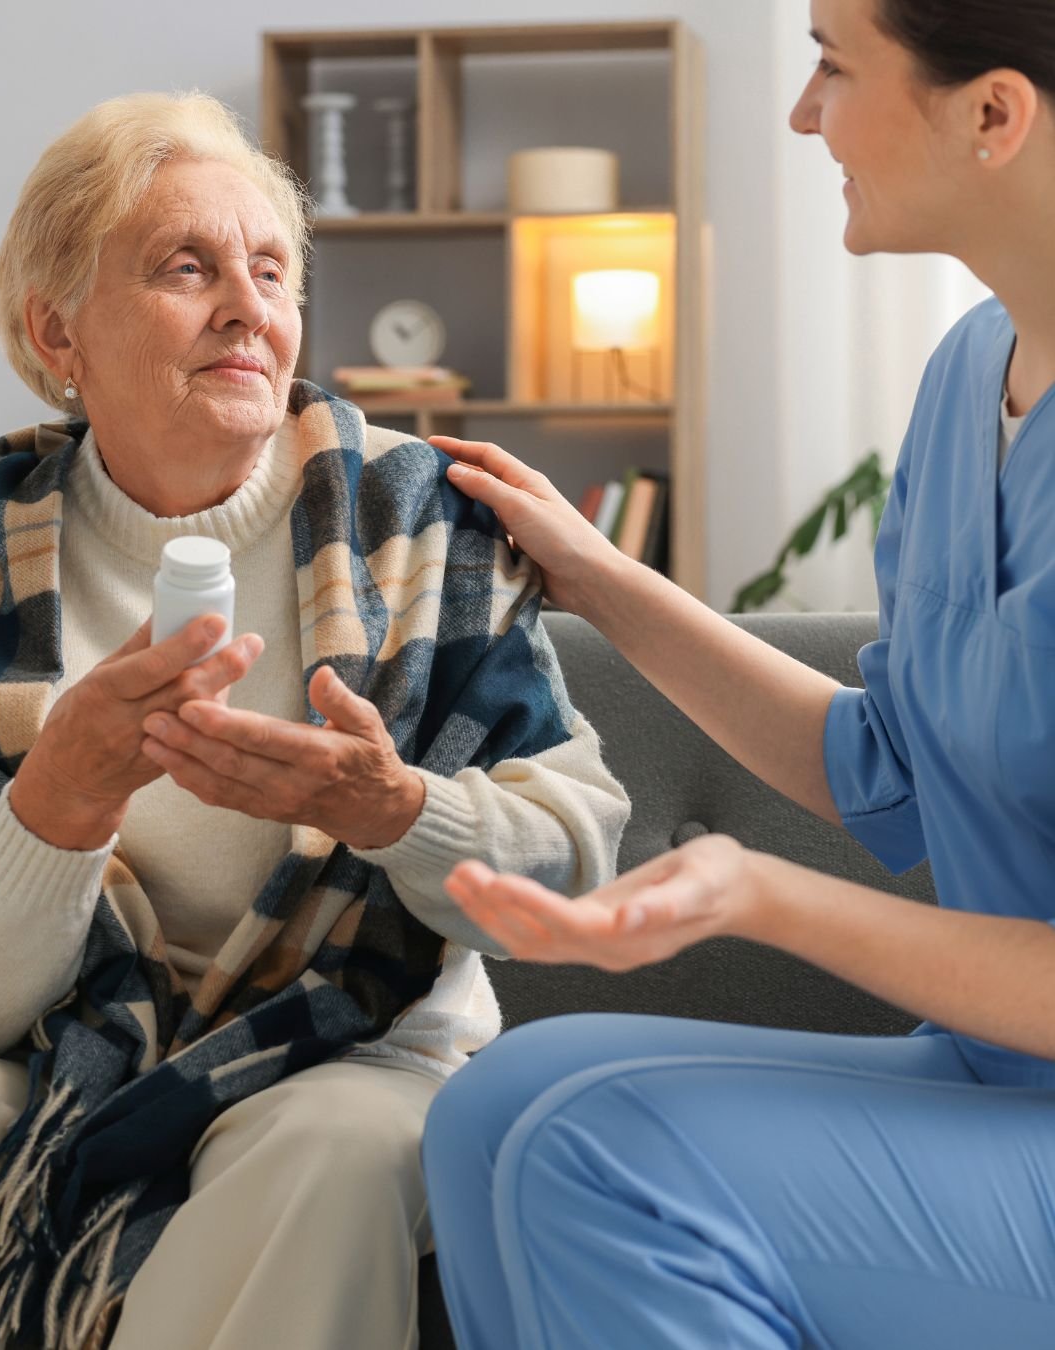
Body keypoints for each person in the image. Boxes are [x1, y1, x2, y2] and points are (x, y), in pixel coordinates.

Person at [421, 1, 1055, 1346]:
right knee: (491, 1106)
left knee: (604, 1157)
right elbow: (881, 760)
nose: (800, 112)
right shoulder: (966, 382)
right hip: (1000, 1078)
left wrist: (763, 895)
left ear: (994, 113)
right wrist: (593, 572)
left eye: (834, 64)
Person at [0, 92, 628, 1350]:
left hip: (359, 1054)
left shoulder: (423, 525)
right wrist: (50, 807)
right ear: (58, 329)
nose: (247, 307)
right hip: (63, 1053)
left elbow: (583, 849)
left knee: (326, 1159)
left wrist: (397, 812)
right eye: (186, 266)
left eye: (270, 270)